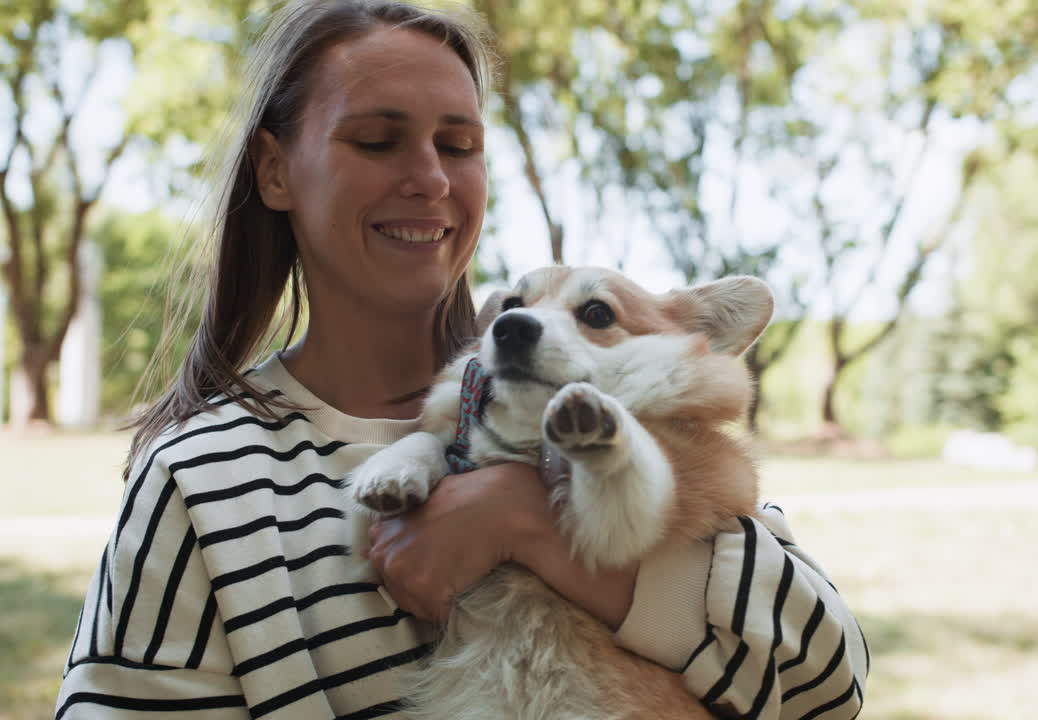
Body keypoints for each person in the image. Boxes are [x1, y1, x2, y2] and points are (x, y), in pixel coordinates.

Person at [55, 1, 869, 717]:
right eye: (377, 141)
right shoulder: (199, 478)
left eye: (460, 145)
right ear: (274, 171)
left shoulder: (629, 419)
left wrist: (523, 520)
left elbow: (828, 679)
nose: (430, 178)